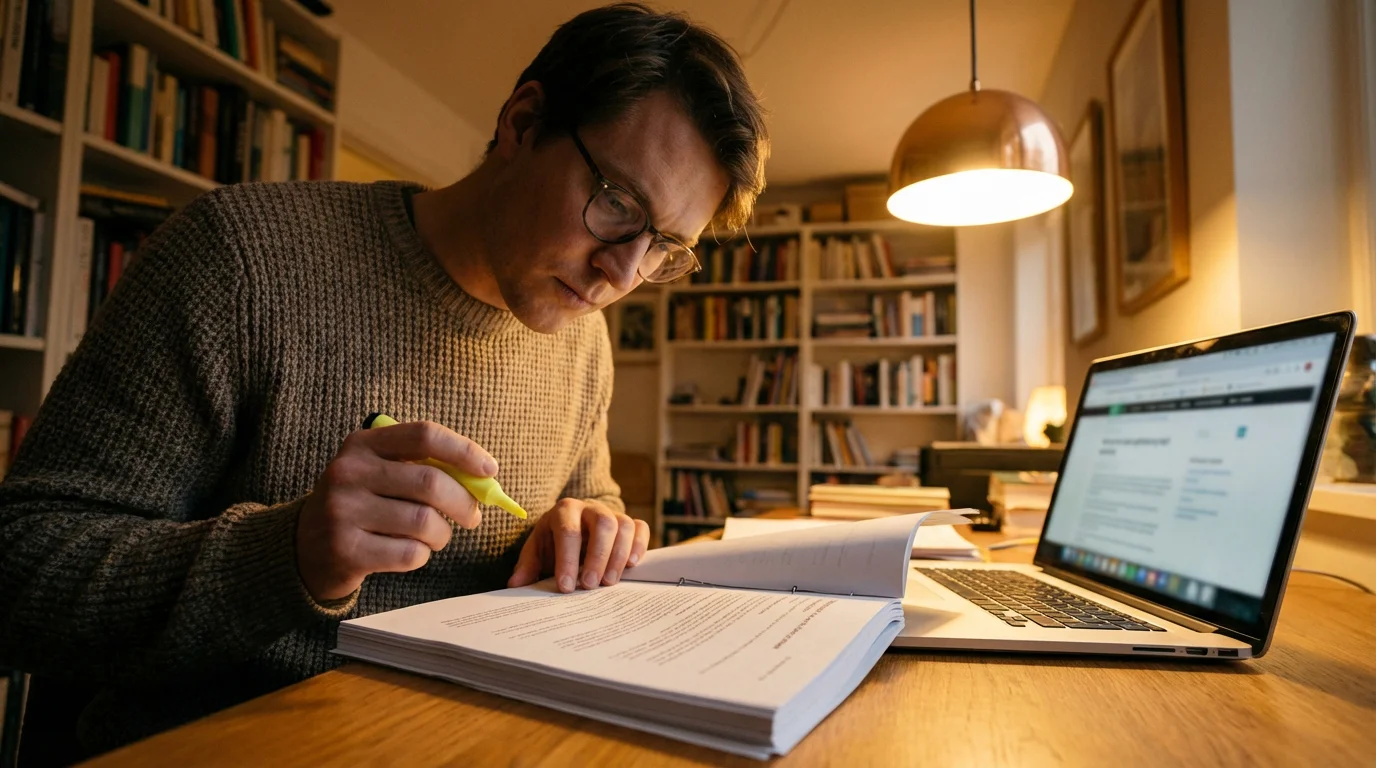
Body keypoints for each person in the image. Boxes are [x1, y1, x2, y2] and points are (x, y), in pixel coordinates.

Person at [0, 3, 768, 759]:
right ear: (523, 123)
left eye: (665, 245)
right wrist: (288, 554)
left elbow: (591, 495)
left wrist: (589, 525)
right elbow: (22, 567)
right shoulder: (238, 258)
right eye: (616, 205)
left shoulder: (583, 342)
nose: (622, 273)